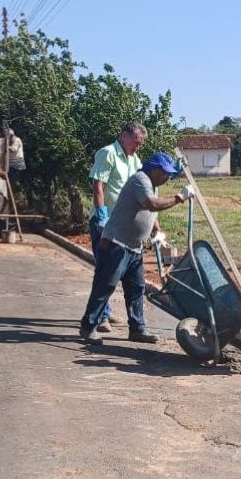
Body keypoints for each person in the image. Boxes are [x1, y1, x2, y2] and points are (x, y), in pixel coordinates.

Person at [80, 152, 194, 346]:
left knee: (136, 289)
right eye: (165, 173)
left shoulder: (152, 184)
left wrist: (157, 231)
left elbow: (150, 212)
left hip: (133, 247)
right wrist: (179, 198)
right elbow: (151, 205)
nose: (167, 178)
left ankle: (137, 328)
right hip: (117, 243)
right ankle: (88, 326)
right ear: (155, 170)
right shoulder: (140, 180)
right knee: (105, 285)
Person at [88, 121, 148, 333]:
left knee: (122, 274)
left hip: (125, 227)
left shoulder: (135, 159)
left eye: (140, 144)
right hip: (107, 222)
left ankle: (107, 313)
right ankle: (101, 317)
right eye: (135, 142)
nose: (137, 146)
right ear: (123, 136)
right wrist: (101, 216)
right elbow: (98, 185)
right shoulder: (108, 153)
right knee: (105, 270)